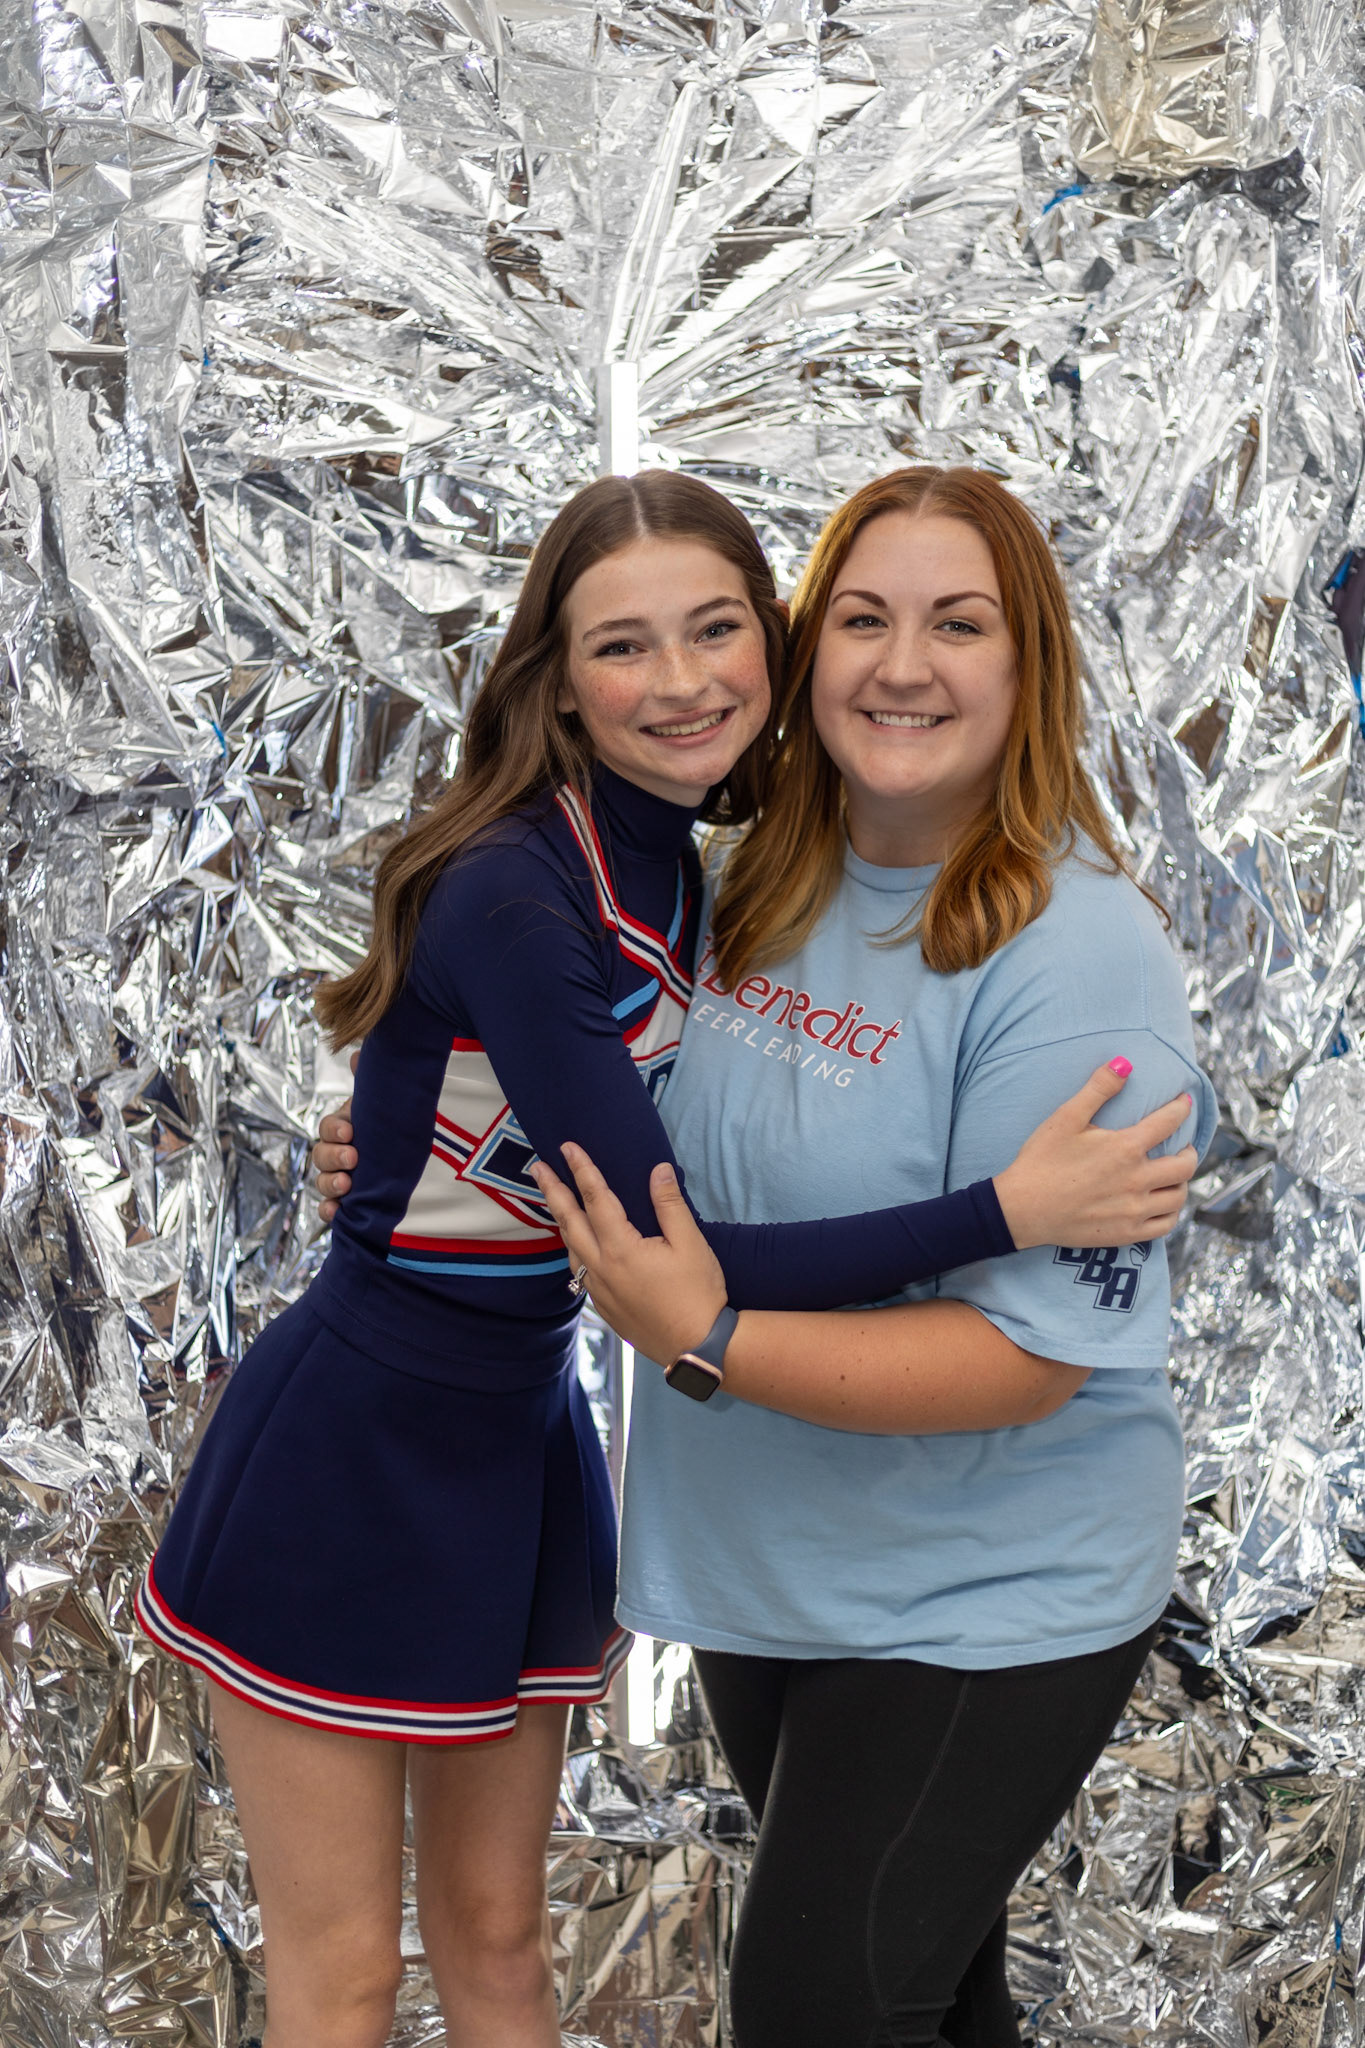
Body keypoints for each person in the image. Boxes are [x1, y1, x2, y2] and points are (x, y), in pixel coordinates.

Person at [302, 467, 1205, 2046]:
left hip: (977, 1595)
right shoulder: (749, 887)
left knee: (821, 2010)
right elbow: (623, 1141)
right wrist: (411, 1152)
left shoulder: (1079, 956)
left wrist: (706, 1334)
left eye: (957, 624)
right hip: (772, 1573)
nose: (902, 664)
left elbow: (1029, 1355)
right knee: (918, 2002)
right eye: (861, 617)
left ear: (1027, 663)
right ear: (807, 654)